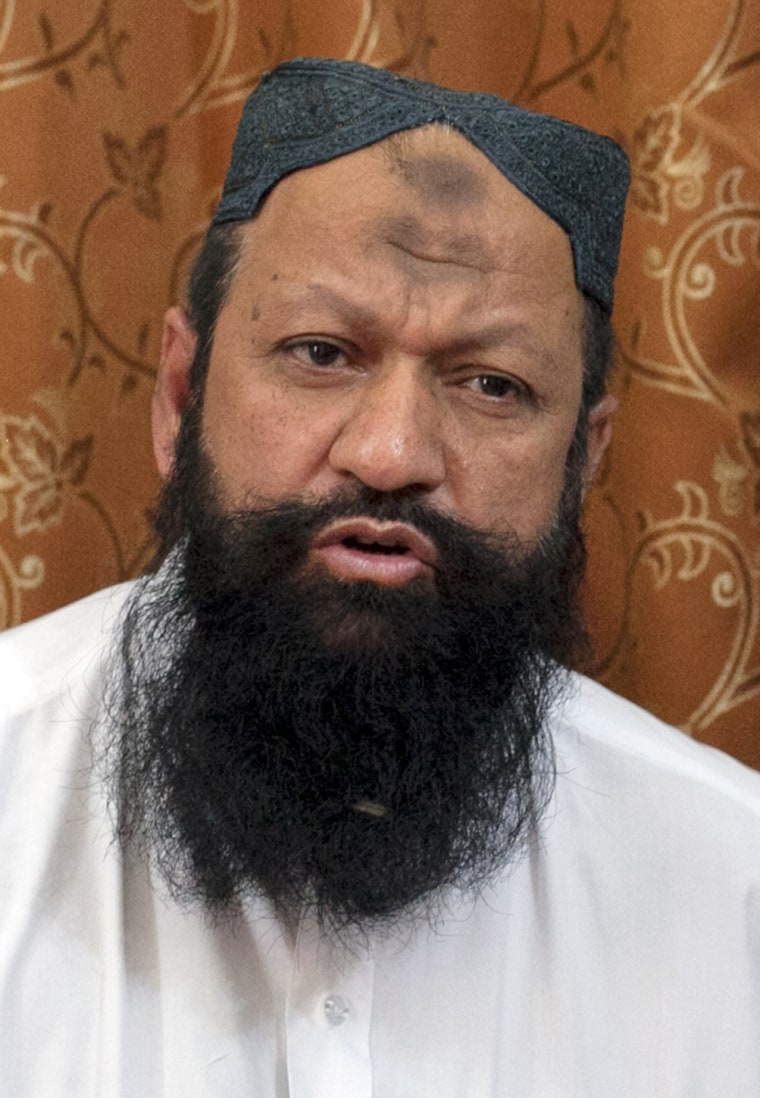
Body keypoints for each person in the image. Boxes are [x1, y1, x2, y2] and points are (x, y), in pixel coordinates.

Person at [1, 57, 759, 1097]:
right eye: (321, 352)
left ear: (584, 460)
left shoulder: (731, 885)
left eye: (492, 383)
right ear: (180, 396)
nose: (393, 452)